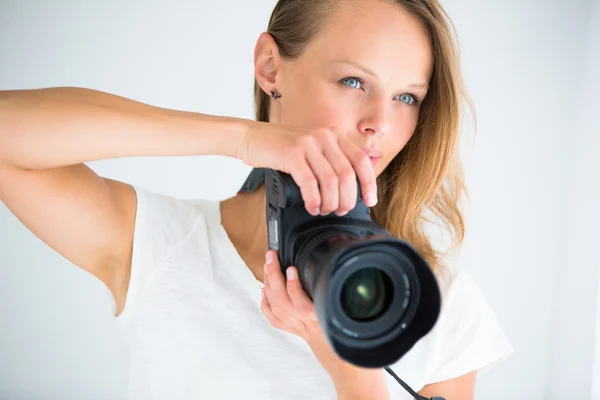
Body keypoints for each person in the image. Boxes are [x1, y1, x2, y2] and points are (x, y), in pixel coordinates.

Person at [0, 0, 514, 399]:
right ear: (270, 67)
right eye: (354, 80)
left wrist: (352, 375)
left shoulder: (431, 298)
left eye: (407, 97)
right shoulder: (161, 247)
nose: (379, 123)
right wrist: (243, 138)